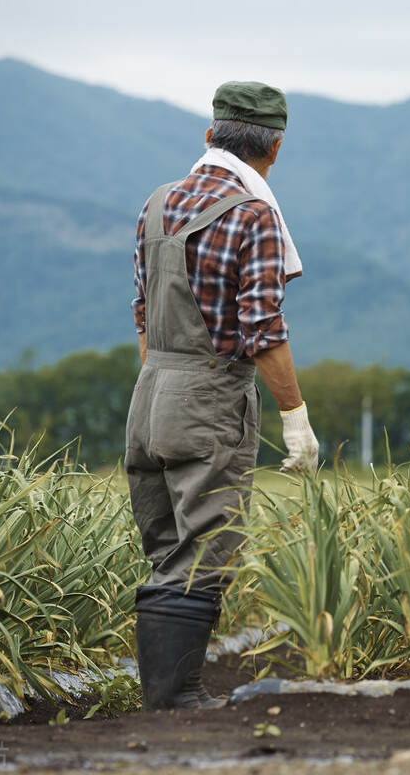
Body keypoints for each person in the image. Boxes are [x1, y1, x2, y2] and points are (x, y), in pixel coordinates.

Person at [125, 81, 320, 711]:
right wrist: (295, 417)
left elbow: (142, 310)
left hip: (149, 393)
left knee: (167, 549)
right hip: (210, 397)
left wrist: (164, 386)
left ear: (210, 135)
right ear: (275, 147)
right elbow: (263, 329)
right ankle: (176, 698)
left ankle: (162, 696)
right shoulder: (253, 215)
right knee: (209, 545)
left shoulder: (157, 203)